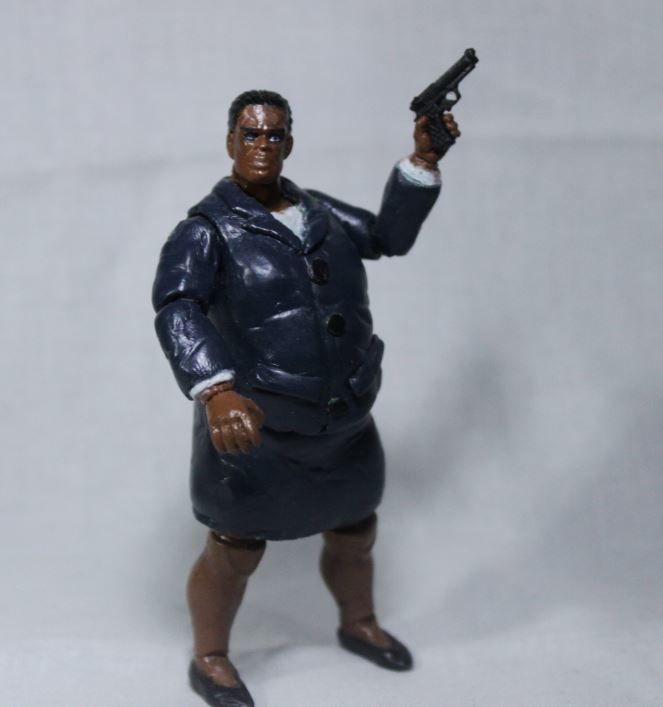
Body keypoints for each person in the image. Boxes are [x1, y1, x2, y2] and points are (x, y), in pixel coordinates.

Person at [152, 89, 460, 707]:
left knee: (355, 529)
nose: (262, 145)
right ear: (230, 141)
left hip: (344, 419)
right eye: (250, 134)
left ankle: (358, 622)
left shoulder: (318, 211)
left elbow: (386, 236)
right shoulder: (206, 230)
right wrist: (216, 389)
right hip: (257, 428)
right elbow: (178, 306)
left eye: (274, 135)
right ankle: (210, 656)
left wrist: (422, 161)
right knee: (234, 550)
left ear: (289, 143)